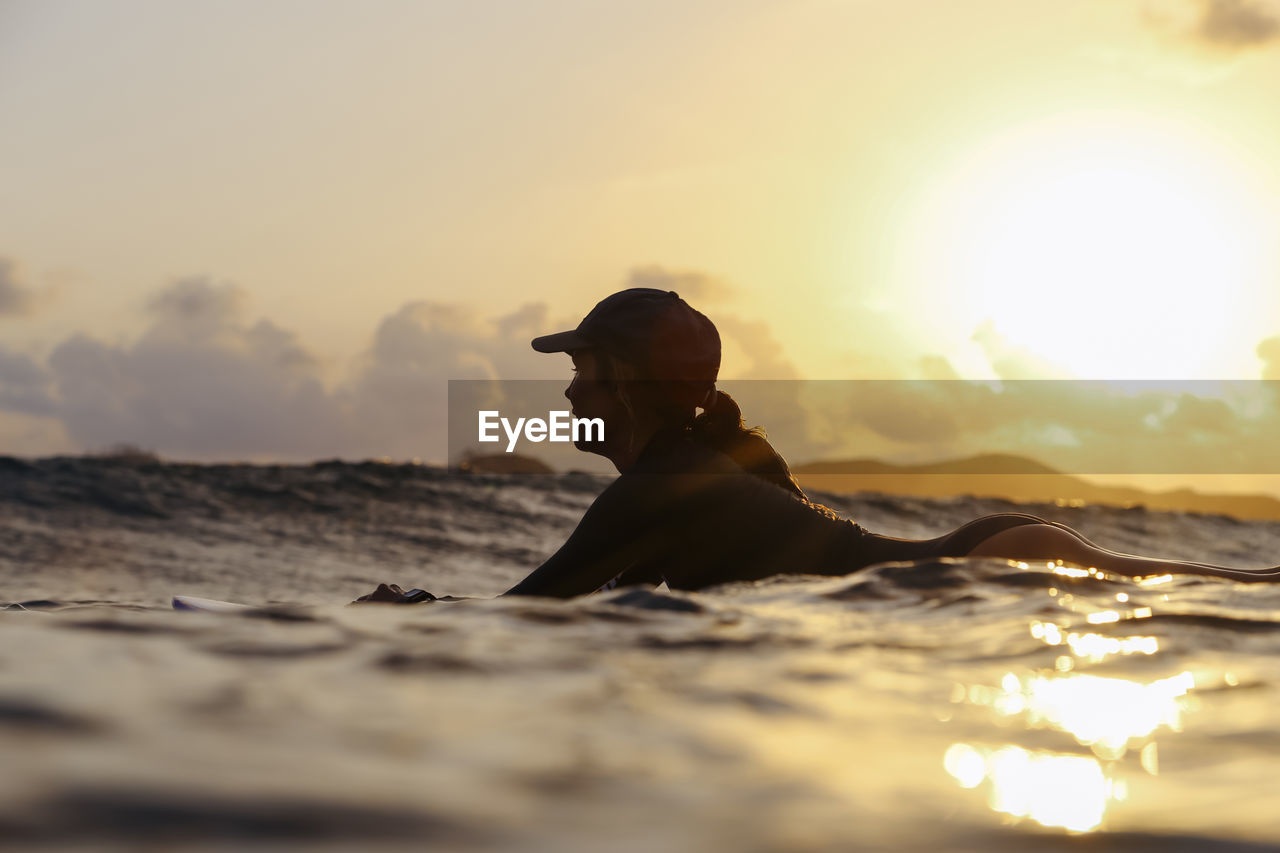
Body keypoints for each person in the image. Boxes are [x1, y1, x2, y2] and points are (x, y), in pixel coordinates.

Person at [357, 289, 1280, 603]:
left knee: (1236, 592)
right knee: (1231, 589)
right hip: (994, 557)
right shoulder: (699, 480)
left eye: (584, 365)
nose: (568, 386)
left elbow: (519, 615)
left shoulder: (657, 492)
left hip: (995, 569)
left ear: (629, 381)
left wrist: (410, 607)